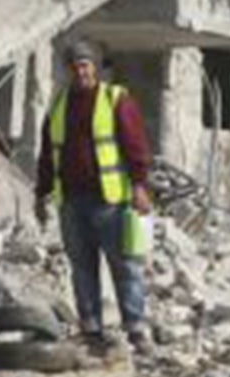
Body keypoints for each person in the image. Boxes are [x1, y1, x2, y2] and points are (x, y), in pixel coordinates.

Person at [34, 39, 153, 353]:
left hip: (111, 201)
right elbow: (48, 154)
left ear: (95, 68)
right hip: (72, 201)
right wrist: (41, 193)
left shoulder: (116, 100)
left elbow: (136, 146)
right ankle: (91, 330)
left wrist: (140, 186)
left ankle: (136, 329)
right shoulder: (59, 106)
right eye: (75, 66)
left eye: (85, 65)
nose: (80, 71)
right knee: (82, 267)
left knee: (125, 265)